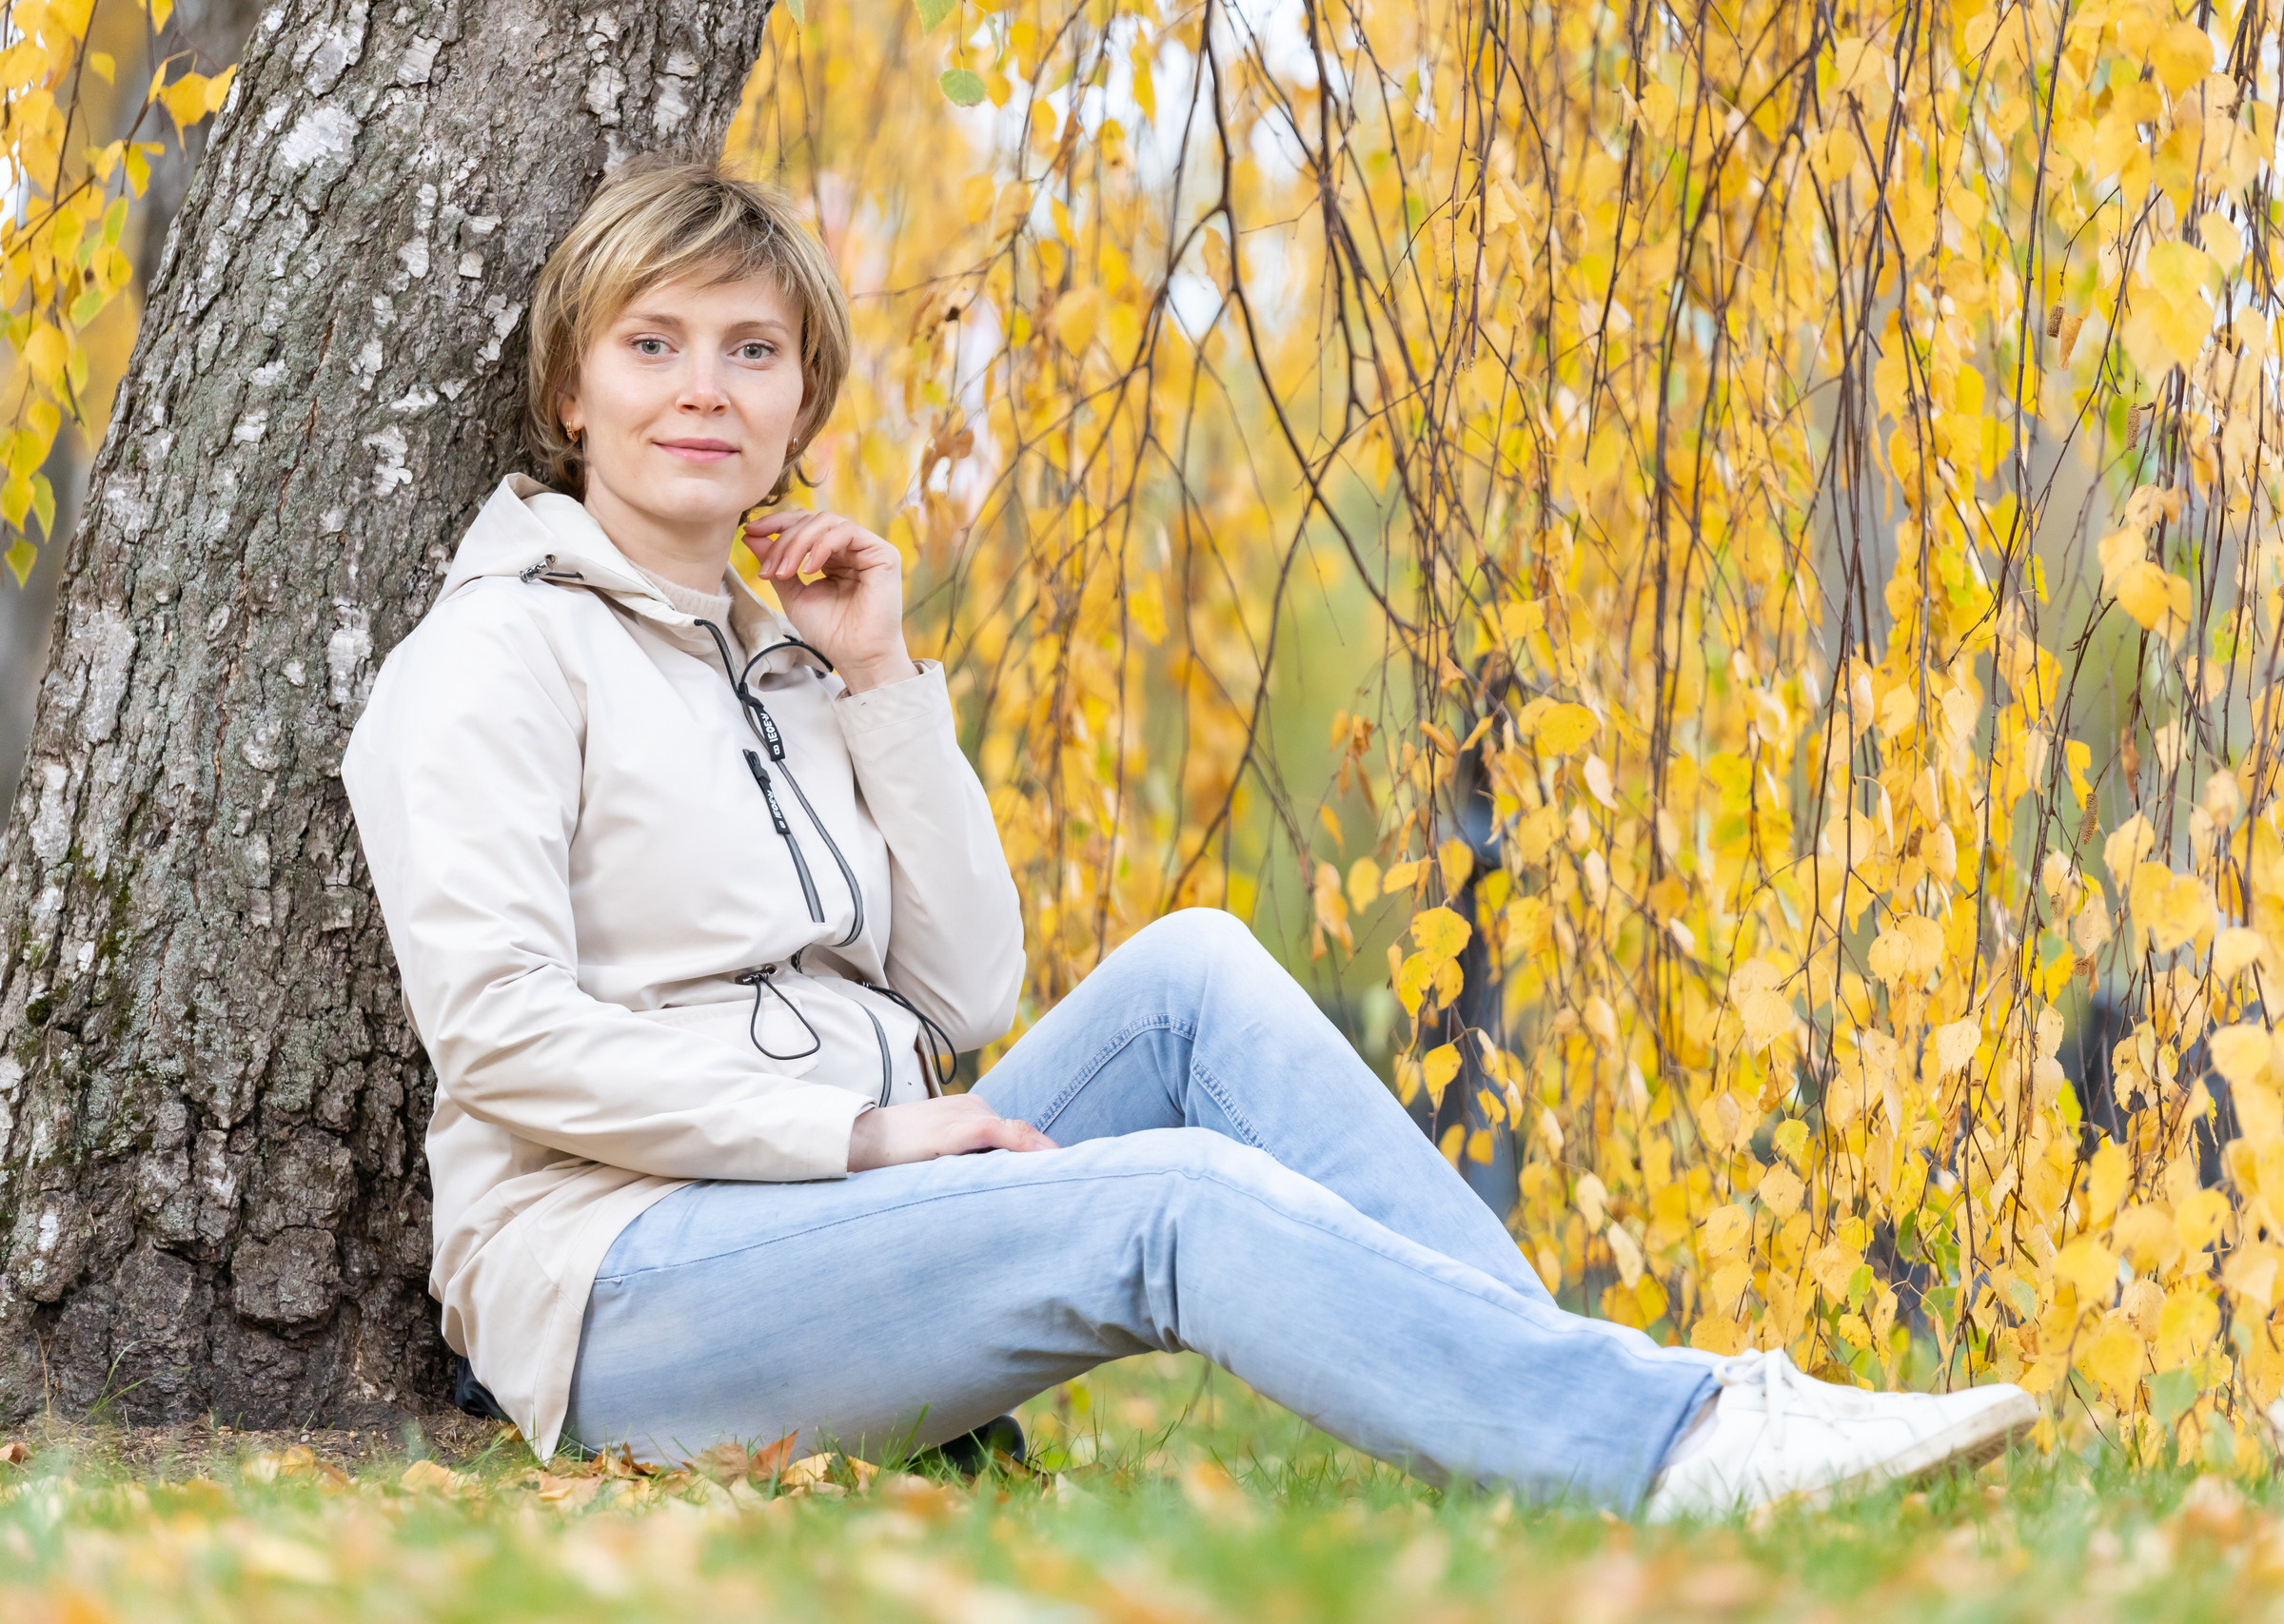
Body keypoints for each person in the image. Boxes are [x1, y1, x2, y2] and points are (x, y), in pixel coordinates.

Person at [339, 150, 2036, 1520]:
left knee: (1193, 978)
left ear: (801, 400)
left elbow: (970, 981)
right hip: (624, 1286)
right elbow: (498, 1040)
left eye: (751, 350)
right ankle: (1671, 1450)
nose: (701, 390)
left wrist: (881, 682)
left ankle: (1603, 1409)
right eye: (653, 344)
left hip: (828, 1201)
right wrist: (859, 1137)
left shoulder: (788, 647)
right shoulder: (495, 652)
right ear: (571, 386)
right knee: (1165, 1202)